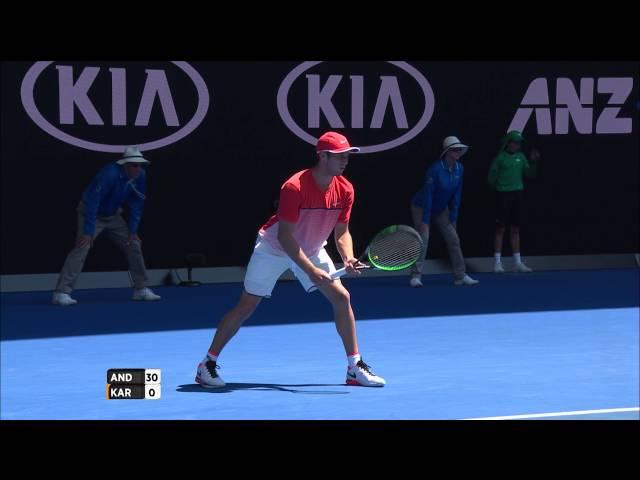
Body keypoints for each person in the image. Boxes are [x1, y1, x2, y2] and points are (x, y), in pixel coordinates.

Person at [195, 131, 386, 388]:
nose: (345, 161)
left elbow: (342, 232)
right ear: (323, 156)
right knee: (247, 305)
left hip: (313, 247)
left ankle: (354, 367)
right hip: (274, 247)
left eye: (347, 156)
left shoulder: (346, 189)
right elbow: (285, 237)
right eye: (340, 156)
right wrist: (310, 270)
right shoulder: (294, 187)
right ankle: (206, 364)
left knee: (342, 298)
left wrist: (348, 257)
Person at [52, 146, 161, 305]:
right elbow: (93, 201)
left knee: (134, 244)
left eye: (140, 165)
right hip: (91, 213)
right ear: (125, 164)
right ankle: (61, 293)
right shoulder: (109, 174)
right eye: (134, 165)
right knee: (82, 246)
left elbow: (137, 204)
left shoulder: (140, 176)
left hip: (113, 216)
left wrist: (132, 231)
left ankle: (141, 289)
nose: (138, 168)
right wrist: (88, 231)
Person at [409, 136, 479, 288]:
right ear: (447, 152)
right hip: (422, 207)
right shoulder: (434, 170)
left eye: (460, 149)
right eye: (455, 149)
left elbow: (457, 193)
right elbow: (428, 196)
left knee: (454, 240)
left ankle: (460, 276)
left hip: (441, 209)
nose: (458, 152)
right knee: (423, 239)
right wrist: (425, 221)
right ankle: (416, 276)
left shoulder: (460, 168)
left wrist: (454, 214)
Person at [487, 130, 540, 273]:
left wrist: (534, 162)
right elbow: (491, 179)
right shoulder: (500, 158)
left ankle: (517, 262)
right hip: (503, 196)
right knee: (500, 229)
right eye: (515, 142)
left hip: (517, 195)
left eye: (519, 143)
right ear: (508, 143)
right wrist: (498, 190)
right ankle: (497, 263)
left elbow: (530, 175)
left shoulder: (521, 157)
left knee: (515, 229)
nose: (517, 145)